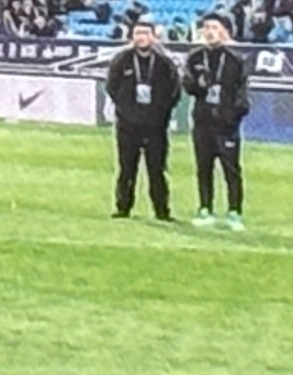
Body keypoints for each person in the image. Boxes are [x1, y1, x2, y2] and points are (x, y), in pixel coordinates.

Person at [103, 22, 183, 222]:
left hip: (155, 127)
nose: (141, 37)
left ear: (153, 36)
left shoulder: (164, 63)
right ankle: (123, 208)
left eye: (145, 33)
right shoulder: (122, 60)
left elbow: (174, 90)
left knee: (157, 170)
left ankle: (162, 210)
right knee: (126, 169)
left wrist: (161, 113)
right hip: (127, 125)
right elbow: (112, 86)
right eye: (137, 33)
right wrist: (125, 109)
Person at [182, 12, 251, 229]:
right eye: (207, 28)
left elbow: (241, 91)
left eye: (214, 28)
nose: (210, 32)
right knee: (204, 167)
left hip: (226, 124)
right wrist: (198, 85)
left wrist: (233, 115)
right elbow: (187, 85)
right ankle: (205, 209)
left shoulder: (234, 59)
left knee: (231, 169)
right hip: (203, 122)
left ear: (224, 31)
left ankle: (234, 212)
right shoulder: (195, 57)